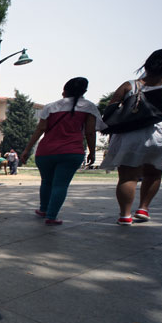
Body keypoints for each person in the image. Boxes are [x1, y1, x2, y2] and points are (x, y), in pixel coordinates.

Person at [99, 47, 162, 226]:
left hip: (130, 135)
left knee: (128, 176)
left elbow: (111, 110)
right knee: (154, 173)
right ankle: (144, 208)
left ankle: (125, 215)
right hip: (160, 135)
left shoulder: (130, 85)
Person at [21, 77, 102, 225]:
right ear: (84, 91)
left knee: (46, 181)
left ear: (64, 91)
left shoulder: (50, 107)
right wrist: (91, 151)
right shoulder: (89, 107)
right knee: (60, 185)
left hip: (46, 151)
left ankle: (43, 209)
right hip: (72, 151)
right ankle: (51, 216)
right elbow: (90, 132)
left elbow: (40, 129)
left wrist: (27, 149)